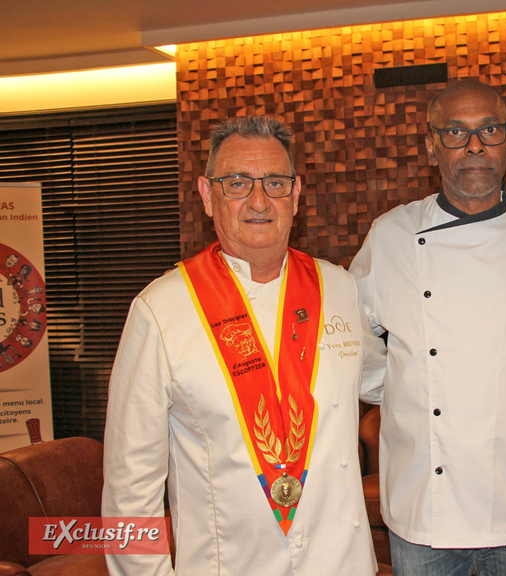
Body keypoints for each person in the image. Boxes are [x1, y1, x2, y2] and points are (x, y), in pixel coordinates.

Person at [102, 116, 385, 575]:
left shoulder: (338, 287)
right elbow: (129, 486)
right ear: (206, 195)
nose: (258, 200)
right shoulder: (160, 309)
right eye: (236, 183)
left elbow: (385, 377)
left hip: (343, 564)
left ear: (295, 195)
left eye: (275, 183)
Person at [350, 79, 506, 575]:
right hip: (423, 508)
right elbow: (355, 339)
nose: (474, 146)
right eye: (455, 132)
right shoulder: (391, 235)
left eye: (489, 130)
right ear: (431, 145)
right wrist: (401, 388)